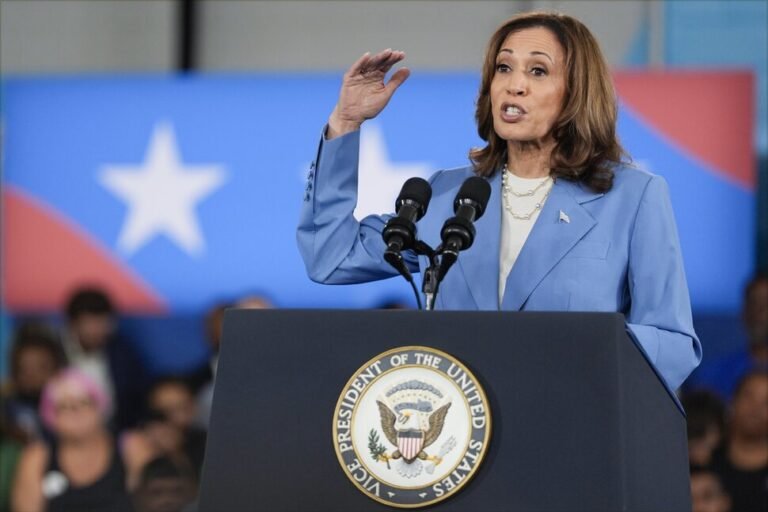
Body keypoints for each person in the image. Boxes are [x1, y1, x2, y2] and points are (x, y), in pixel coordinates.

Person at [296, 11, 701, 390]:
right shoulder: (446, 195)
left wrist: (579, 357)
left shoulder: (631, 197)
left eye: (538, 71)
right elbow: (330, 256)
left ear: (576, 91)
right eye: (503, 67)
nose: (514, 84)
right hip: (459, 440)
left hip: (574, 430)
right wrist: (346, 123)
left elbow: (672, 343)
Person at [10, 369, 134, 512]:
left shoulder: (129, 446)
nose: (76, 412)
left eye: (83, 402)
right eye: (64, 406)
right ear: (51, 417)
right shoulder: (37, 457)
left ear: (99, 406)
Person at [61, 286, 150, 431]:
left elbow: (136, 398)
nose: (97, 330)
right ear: (72, 323)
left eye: (102, 322)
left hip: (113, 432)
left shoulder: (123, 353)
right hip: (65, 433)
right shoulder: (55, 354)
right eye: (89, 322)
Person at [710, 371, 768, 512]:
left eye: (766, 402)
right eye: (749, 397)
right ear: (732, 401)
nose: (756, 408)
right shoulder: (706, 462)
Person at [2, 322, 66, 442]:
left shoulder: (68, 406)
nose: (32, 375)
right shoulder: (8, 408)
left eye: (41, 367)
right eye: (24, 368)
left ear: (57, 370)